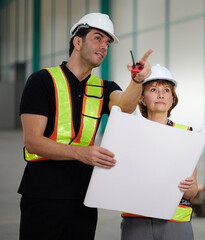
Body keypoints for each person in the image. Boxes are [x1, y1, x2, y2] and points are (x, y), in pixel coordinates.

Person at [18, 12, 153, 240]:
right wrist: (82, 153)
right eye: (98, 38)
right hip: (43, 193)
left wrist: (137, 81)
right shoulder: (41, 81)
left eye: (108, 43)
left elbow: (126, 106)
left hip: (84, 196)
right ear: (77, 42)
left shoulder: (104, 87)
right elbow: (33, 141)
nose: (104, 46)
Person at [120, 64, 198, 240]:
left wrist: (186, 188)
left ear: (172, 100)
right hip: (136, 220)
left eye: (167, 90)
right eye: (153, 89)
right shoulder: (127, 132)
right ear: (142, 99)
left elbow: (192, 192)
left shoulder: (186, 135)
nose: (161, 94)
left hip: (175, 221)